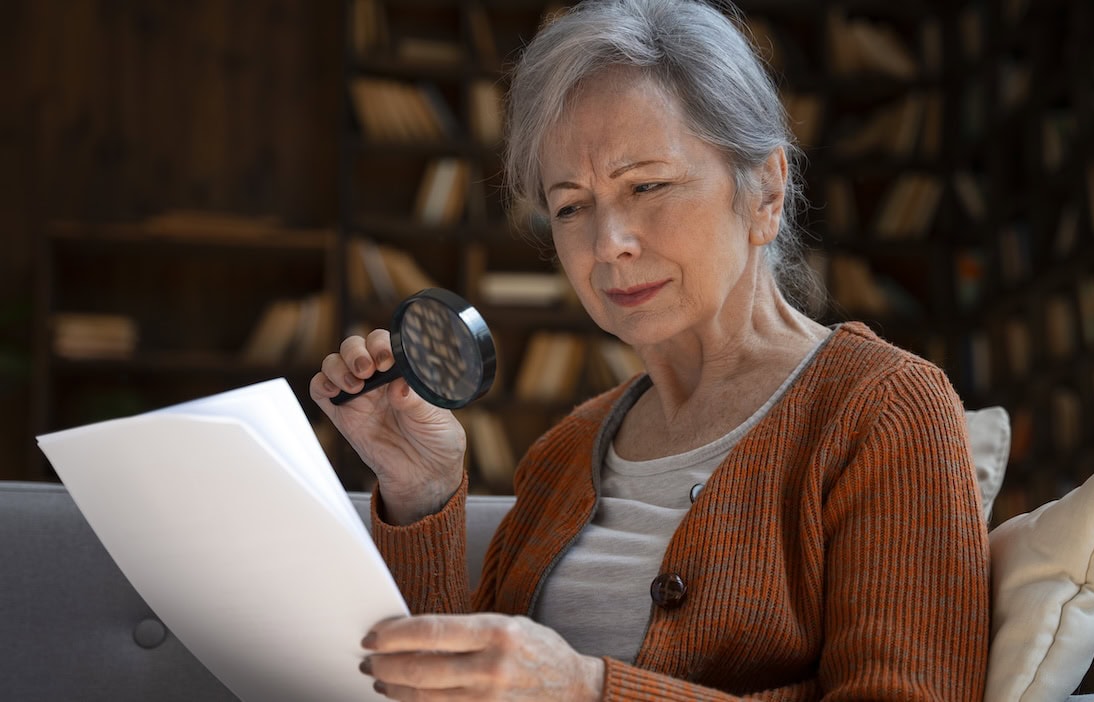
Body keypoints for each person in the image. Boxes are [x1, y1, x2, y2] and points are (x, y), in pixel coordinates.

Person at [311, 0, 990, 699]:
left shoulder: (884, 409)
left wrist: (586, 690)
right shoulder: (562, 454)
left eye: (648, 186)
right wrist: (420, 490)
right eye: (572, 206)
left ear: (765, 192)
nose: (609, 244)